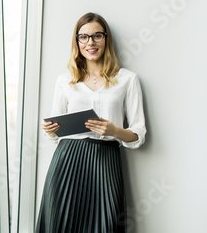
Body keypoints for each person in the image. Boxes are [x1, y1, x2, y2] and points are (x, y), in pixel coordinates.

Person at [36, 12, 147, 233]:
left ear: (106, 39)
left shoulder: (128, 79)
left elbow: (138, 134)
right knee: (61, 225)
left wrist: (115, 130)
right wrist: (50, 131)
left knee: (105, 224)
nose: (91, 42)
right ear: (77, 41)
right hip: (67, 161)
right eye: (84, 37)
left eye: (97, 36)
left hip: (106, 161)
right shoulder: (65, 80)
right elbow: (55, 132)